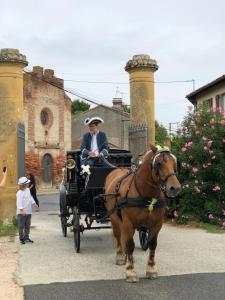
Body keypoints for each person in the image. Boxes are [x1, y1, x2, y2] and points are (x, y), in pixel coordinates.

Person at [16, 176, 38, 244]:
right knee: (21, 226)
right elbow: (19, 202)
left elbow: (30, 197)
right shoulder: (19, 193)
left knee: (27, 225)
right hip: (21, 212)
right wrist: (22, 210)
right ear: (24, 185)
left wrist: (34, 203)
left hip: (28, 211)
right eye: (27, 183)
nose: (28, 184)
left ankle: (26, 237)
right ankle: (21, 238)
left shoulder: (28, 190)